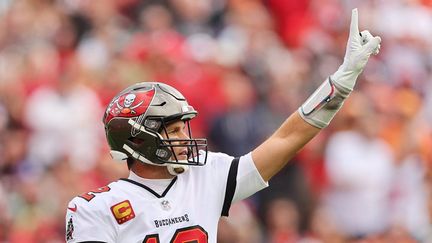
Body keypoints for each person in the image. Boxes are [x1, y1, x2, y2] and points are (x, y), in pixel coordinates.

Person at [65, 9, 381, 243]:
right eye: (172, 130)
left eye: (182, 127)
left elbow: (287, 139)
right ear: (136, 139)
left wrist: (339, 85)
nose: (184, 137)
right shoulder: (95, 208)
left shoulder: (206, 175)